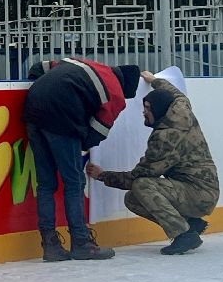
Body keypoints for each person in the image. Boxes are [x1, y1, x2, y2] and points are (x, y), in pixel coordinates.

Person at [22, 58, 141, 262]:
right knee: (74, 181)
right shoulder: (116, 94)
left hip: (32, 108)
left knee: (46, 183)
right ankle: (81, 242)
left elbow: (38, 68)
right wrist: (79, 143)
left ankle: (50, 245)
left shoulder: (83, 63)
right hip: (62, 116)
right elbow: (97, 133)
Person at [86, 75, 218, 255]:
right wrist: (154, 80)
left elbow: (138, 177)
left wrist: (103, 176)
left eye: (148, 108)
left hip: (199, 194)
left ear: (159, 110)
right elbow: (176, 94)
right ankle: (191, 223)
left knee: (142, 186)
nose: (144, 112)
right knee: (132, 199)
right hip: (202, 189)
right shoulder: (181, 109)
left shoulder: (166, 138)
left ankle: (184, 234)